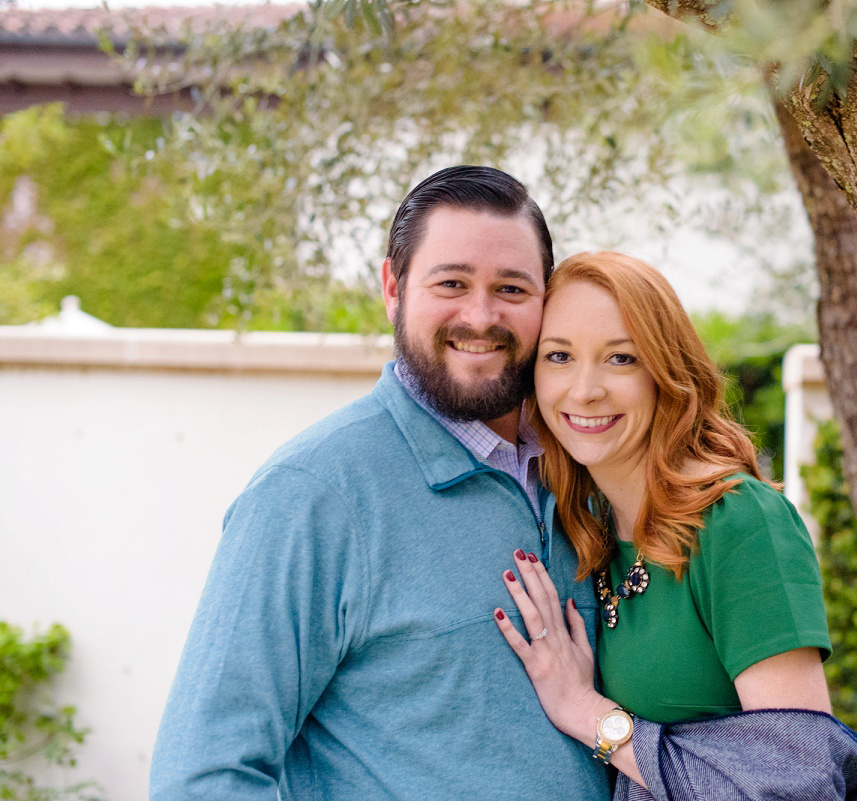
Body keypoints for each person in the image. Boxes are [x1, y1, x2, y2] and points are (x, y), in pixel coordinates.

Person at [149, 167, 610, 801]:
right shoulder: (310, 494)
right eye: (451, 283)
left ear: (545, 300)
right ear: (393, 287)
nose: (481, 316)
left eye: (510, 288)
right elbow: (203, 777)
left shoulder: (589, 471)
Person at [493, 252, 857, 800]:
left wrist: (586, 711)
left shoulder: (739, 522)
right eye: (559, 355)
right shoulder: (587, 527)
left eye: (621, 359)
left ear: (666, 372)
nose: (584, 390)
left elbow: (799, 784)